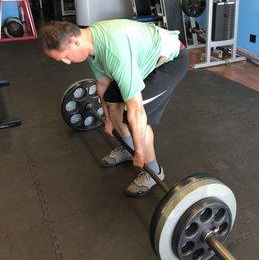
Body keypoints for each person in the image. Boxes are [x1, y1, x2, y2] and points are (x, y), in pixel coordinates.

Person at [39, 19, 188, 197]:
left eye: (64, 56)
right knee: (112, 100)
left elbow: (137, 112)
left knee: (136, 116)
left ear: (74, 41)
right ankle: (127, 147)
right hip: (142, 58)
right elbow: (102, 84)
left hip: (169, 62)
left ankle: (154, 170)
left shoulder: (113, 52)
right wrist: (108, 119)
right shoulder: (90, 45)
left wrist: (139, 152)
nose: (66, 62)